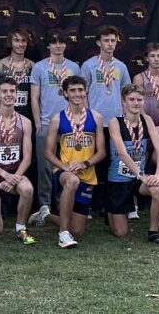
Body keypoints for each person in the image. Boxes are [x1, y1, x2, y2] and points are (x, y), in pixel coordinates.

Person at [35, 75, 104, 249]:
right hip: (64, 173)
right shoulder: (57, 119)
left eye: (80, 89)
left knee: (78, 230)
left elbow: (102, 151)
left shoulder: (95, 116)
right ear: (65, 93)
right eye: (72, 90)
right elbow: (47, 152)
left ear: (86, 91)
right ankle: (63, 234)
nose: (77, 93)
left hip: (86, 173)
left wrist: (85, 163)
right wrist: (65, 168)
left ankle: (45, 216)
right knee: (72, 180)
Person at [29, 28, 80, 225]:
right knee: (45, 168)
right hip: (46, 124)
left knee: (66, 167)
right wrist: (37, 124)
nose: (58, 46)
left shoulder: (75, 67)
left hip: (69, 126)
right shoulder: (40, 67)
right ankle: (44, 206)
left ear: (66, 45)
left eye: (61, 42)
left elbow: (80, 97)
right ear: (48, 45)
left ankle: (63, 206)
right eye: (54, 42)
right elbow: (34, 97)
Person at [106, 84, 159, 245]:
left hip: (139, 180)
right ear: (124, 102)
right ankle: (110, 213)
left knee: (158, 190)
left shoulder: (147, 120)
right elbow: (121, 152)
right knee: (121, 233)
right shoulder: (115, 122)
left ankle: (153, 232)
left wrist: (158, 175)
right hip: (118, 180)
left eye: (139, 100)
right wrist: (141, 175)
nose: (136, 103)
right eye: (131, 99)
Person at [0, 77, 36, 244]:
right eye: (4, 91)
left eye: (12, 91)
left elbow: (28, 157)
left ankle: (20, 227)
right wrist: (4, 175)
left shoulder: (26, 122)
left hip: (15, 172)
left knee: (27, 189)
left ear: (17, 94)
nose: (9, 94)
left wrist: (14, 177)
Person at [80, 25, 131, 216]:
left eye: (113, 41)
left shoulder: (121, 67)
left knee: (115, 163)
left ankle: (112, 204)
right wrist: (87, 117)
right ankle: (92, 204)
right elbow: (82, 93)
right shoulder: (89, 65)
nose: (110, 44)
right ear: (98, 42)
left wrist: (126, 118)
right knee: (94, 164)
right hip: (95, 122)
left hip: (116, 123)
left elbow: (127, 93)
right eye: (106, 40)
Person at [0, 28, 35, 120]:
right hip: (4, 116)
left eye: (23, 41)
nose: (20, 44)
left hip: (27, 116)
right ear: (10, 43)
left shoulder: (33, 65)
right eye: (16, 40)